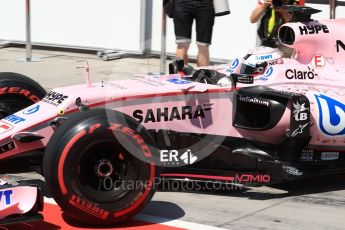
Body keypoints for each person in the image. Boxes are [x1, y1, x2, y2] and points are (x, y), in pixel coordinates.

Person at [173, 0, 215, 67]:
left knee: (203, 45)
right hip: (182, 3)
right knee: (182, 44)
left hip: (206, 4)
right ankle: (180, 76)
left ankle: (202, 76)